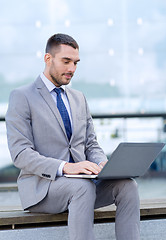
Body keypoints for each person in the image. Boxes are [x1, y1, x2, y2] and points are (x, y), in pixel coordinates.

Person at [5, 33, 140, 240]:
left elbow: (91, 144)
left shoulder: (79, 98)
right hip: (43, 190)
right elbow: (20, 154)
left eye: (75, 63)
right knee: (82, 187)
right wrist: (66, 167)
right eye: (66, 61)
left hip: (83, 184)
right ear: (48, 59)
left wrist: (102, 163)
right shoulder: (22, 96)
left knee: (127, 185)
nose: (72, 69)